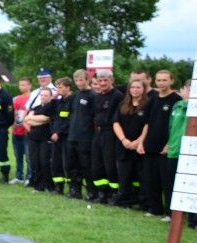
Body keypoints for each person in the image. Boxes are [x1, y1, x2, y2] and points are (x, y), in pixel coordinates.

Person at [140, 70, 182, 217]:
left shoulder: (176, 100)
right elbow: (147, 123)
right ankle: (154, 208)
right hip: (150, 145)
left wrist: (169, 144)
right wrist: (141, 142)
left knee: (167, 182)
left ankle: (170, 213)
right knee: (151, 180)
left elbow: (177, 126)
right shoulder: (153, 99)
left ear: (172, 81)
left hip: (167, 148)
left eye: (164, 80)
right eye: (159, 80)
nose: (161, 83)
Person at [112, 77, 149, 208]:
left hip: (141, 146)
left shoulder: (148, 104)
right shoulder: (123, 104)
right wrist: (124, 140)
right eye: (132, 87)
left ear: (144, 89)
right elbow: (116, 123)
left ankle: (143, 201)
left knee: (142, 175)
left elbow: (148, 124)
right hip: (123, 145)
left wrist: (139, 141)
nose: (135, 90)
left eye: (138, 87)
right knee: (124, 175)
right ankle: (125, 200)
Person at [90, 69, 123, 204]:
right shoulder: (97, 96)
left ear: (112, 81)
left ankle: (114, 194)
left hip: (110, 133)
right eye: (100, 80)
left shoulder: (117, 96)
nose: (102, 83)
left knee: (110, 165)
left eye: (105, 80)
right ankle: (101, 192)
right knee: (97, 164)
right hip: (98, 133)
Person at [166, 79, 195, 228]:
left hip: (190, 152)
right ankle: (173, 215)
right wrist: (169, 144)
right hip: (174, 150)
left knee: (190, 186)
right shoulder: (177, 105)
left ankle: (192, 219)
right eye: (188, 89)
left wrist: (188, 102)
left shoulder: (190, 107)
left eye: (192, 89)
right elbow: (172, 127)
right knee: (173, 183)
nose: (189, 92)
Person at [64, 69, 95, 199]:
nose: (78, 83)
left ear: (87, 80)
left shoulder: (93, 96)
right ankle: (75, 190)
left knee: (86, 165)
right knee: (72, 165)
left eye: (81, 80)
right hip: (72, 136)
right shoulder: (74, 96)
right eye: (76, 80)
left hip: (86, 137)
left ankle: (91, 191)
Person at [23, 86, 56, 192]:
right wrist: (37, 120)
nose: (43, 97)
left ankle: (50, 186)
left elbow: (46, 119)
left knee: (45, 162)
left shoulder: (52, 107)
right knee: (34, 162)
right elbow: (27, 120)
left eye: (46, 95)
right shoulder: (36, 107)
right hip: (33, 139)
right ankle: (38, 186)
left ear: (50, 96)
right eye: (42, 95)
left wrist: (34, 119)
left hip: (45, 139)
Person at [10, 77, 32, 184]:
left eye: (24, 85)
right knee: (18, 155)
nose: (21, 87)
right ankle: (19, 176)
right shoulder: (16, 99)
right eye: (20, 85)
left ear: (29, 86)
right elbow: (14, 113)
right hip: (16, 131)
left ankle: (29, 176)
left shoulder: (33, 98)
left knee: (28, 156)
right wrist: (13, 127)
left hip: (27, 132)